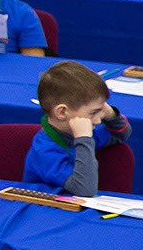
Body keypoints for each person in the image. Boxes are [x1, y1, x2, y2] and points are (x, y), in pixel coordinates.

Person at [22, 62, 131, 197]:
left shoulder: (78, 133)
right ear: (62, 112)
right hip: (46, 211)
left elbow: (120, 135)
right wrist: (84, 139)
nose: (98, 120)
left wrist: (111, 115)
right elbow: (85, 190)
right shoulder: (45, 151)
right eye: (93, 113)